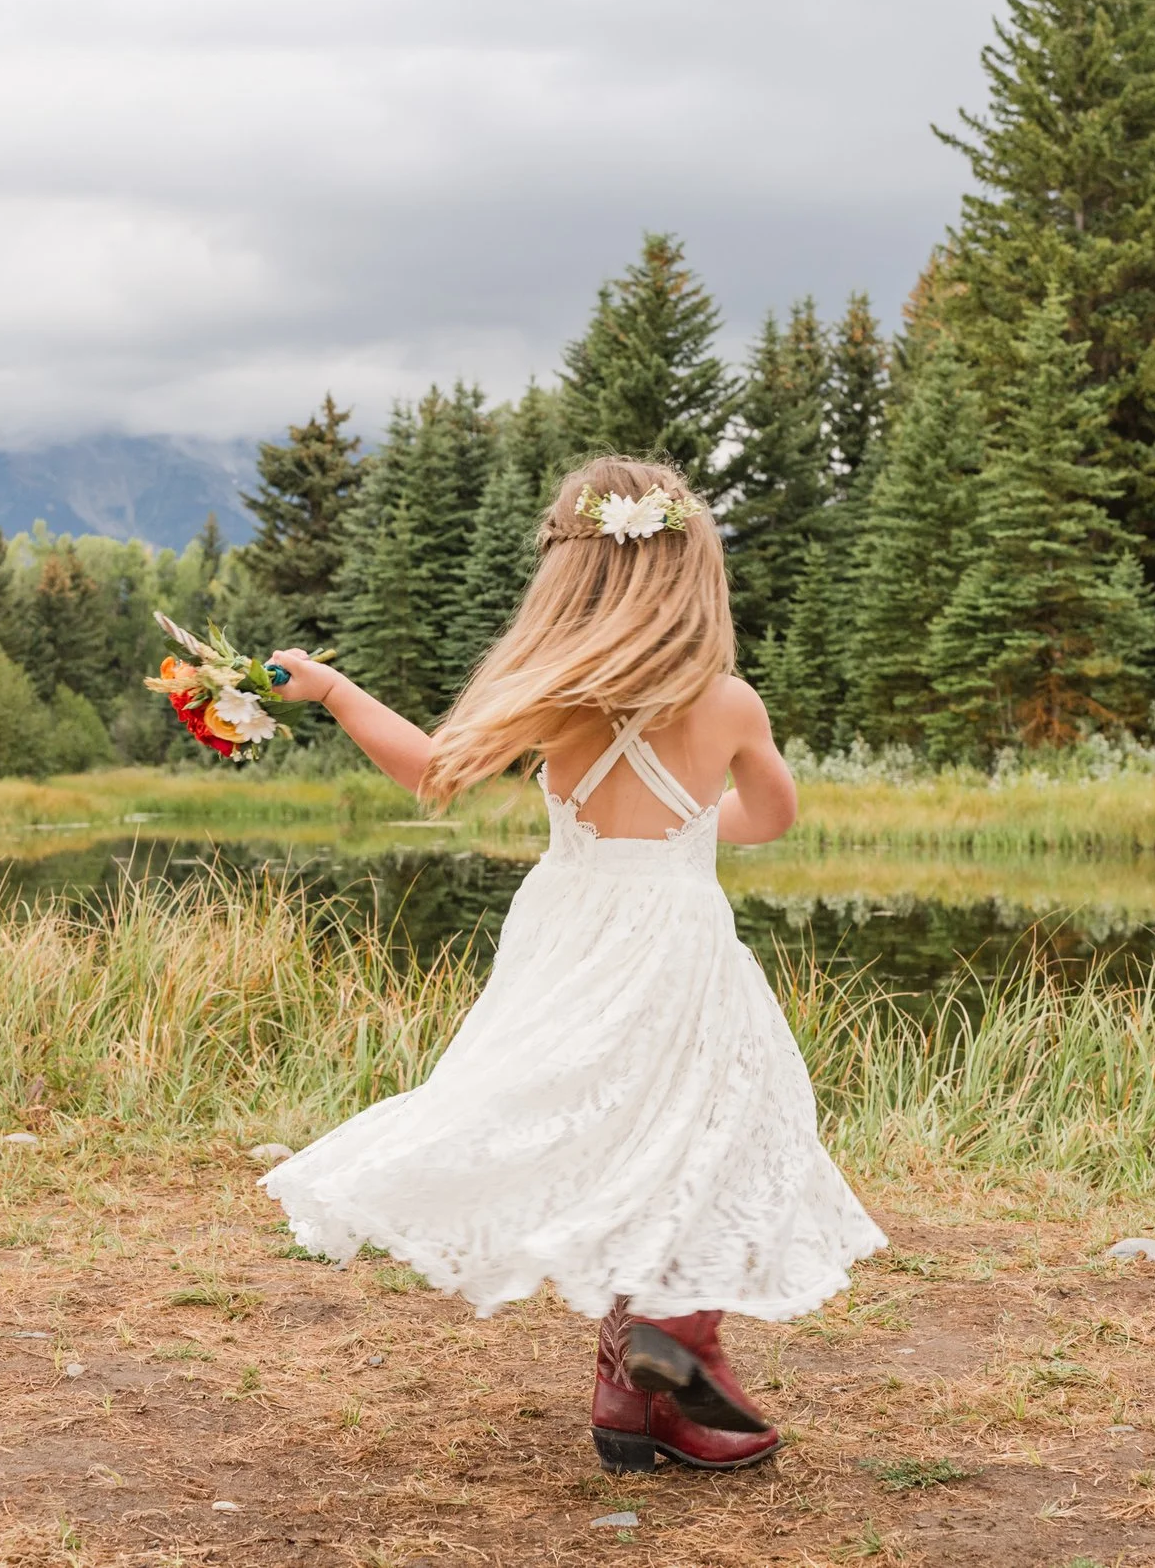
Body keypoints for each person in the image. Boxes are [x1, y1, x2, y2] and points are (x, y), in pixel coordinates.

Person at [262, 454, 885, 1474]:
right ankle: (663, 1367)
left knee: (584, 1111)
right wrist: (688, 832)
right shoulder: (727, 701)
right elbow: (770, 816)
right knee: (703, 1124)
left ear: (568, 575)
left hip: (569, 925)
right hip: (675, 930)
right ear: (693, 572)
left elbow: (431, 770)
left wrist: (331, 688)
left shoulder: (551, 697)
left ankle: (638, 1374)